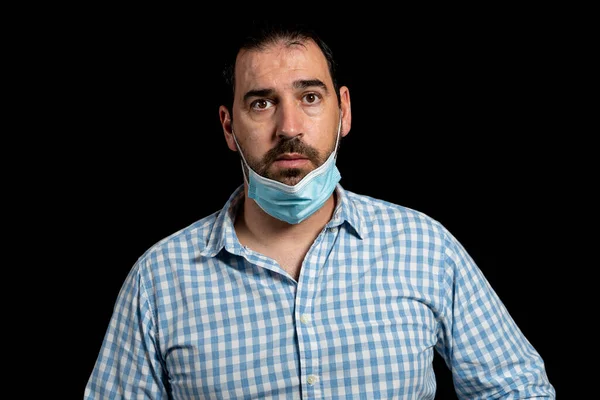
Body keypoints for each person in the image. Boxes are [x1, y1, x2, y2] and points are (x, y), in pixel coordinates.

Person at [85, 20, 556, 399]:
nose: (289, 126)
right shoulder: (158, 280)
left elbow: (518, 390)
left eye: (309, 97)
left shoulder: (425, 247)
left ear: (344, 111)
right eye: (262, 102)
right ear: (229, 128)